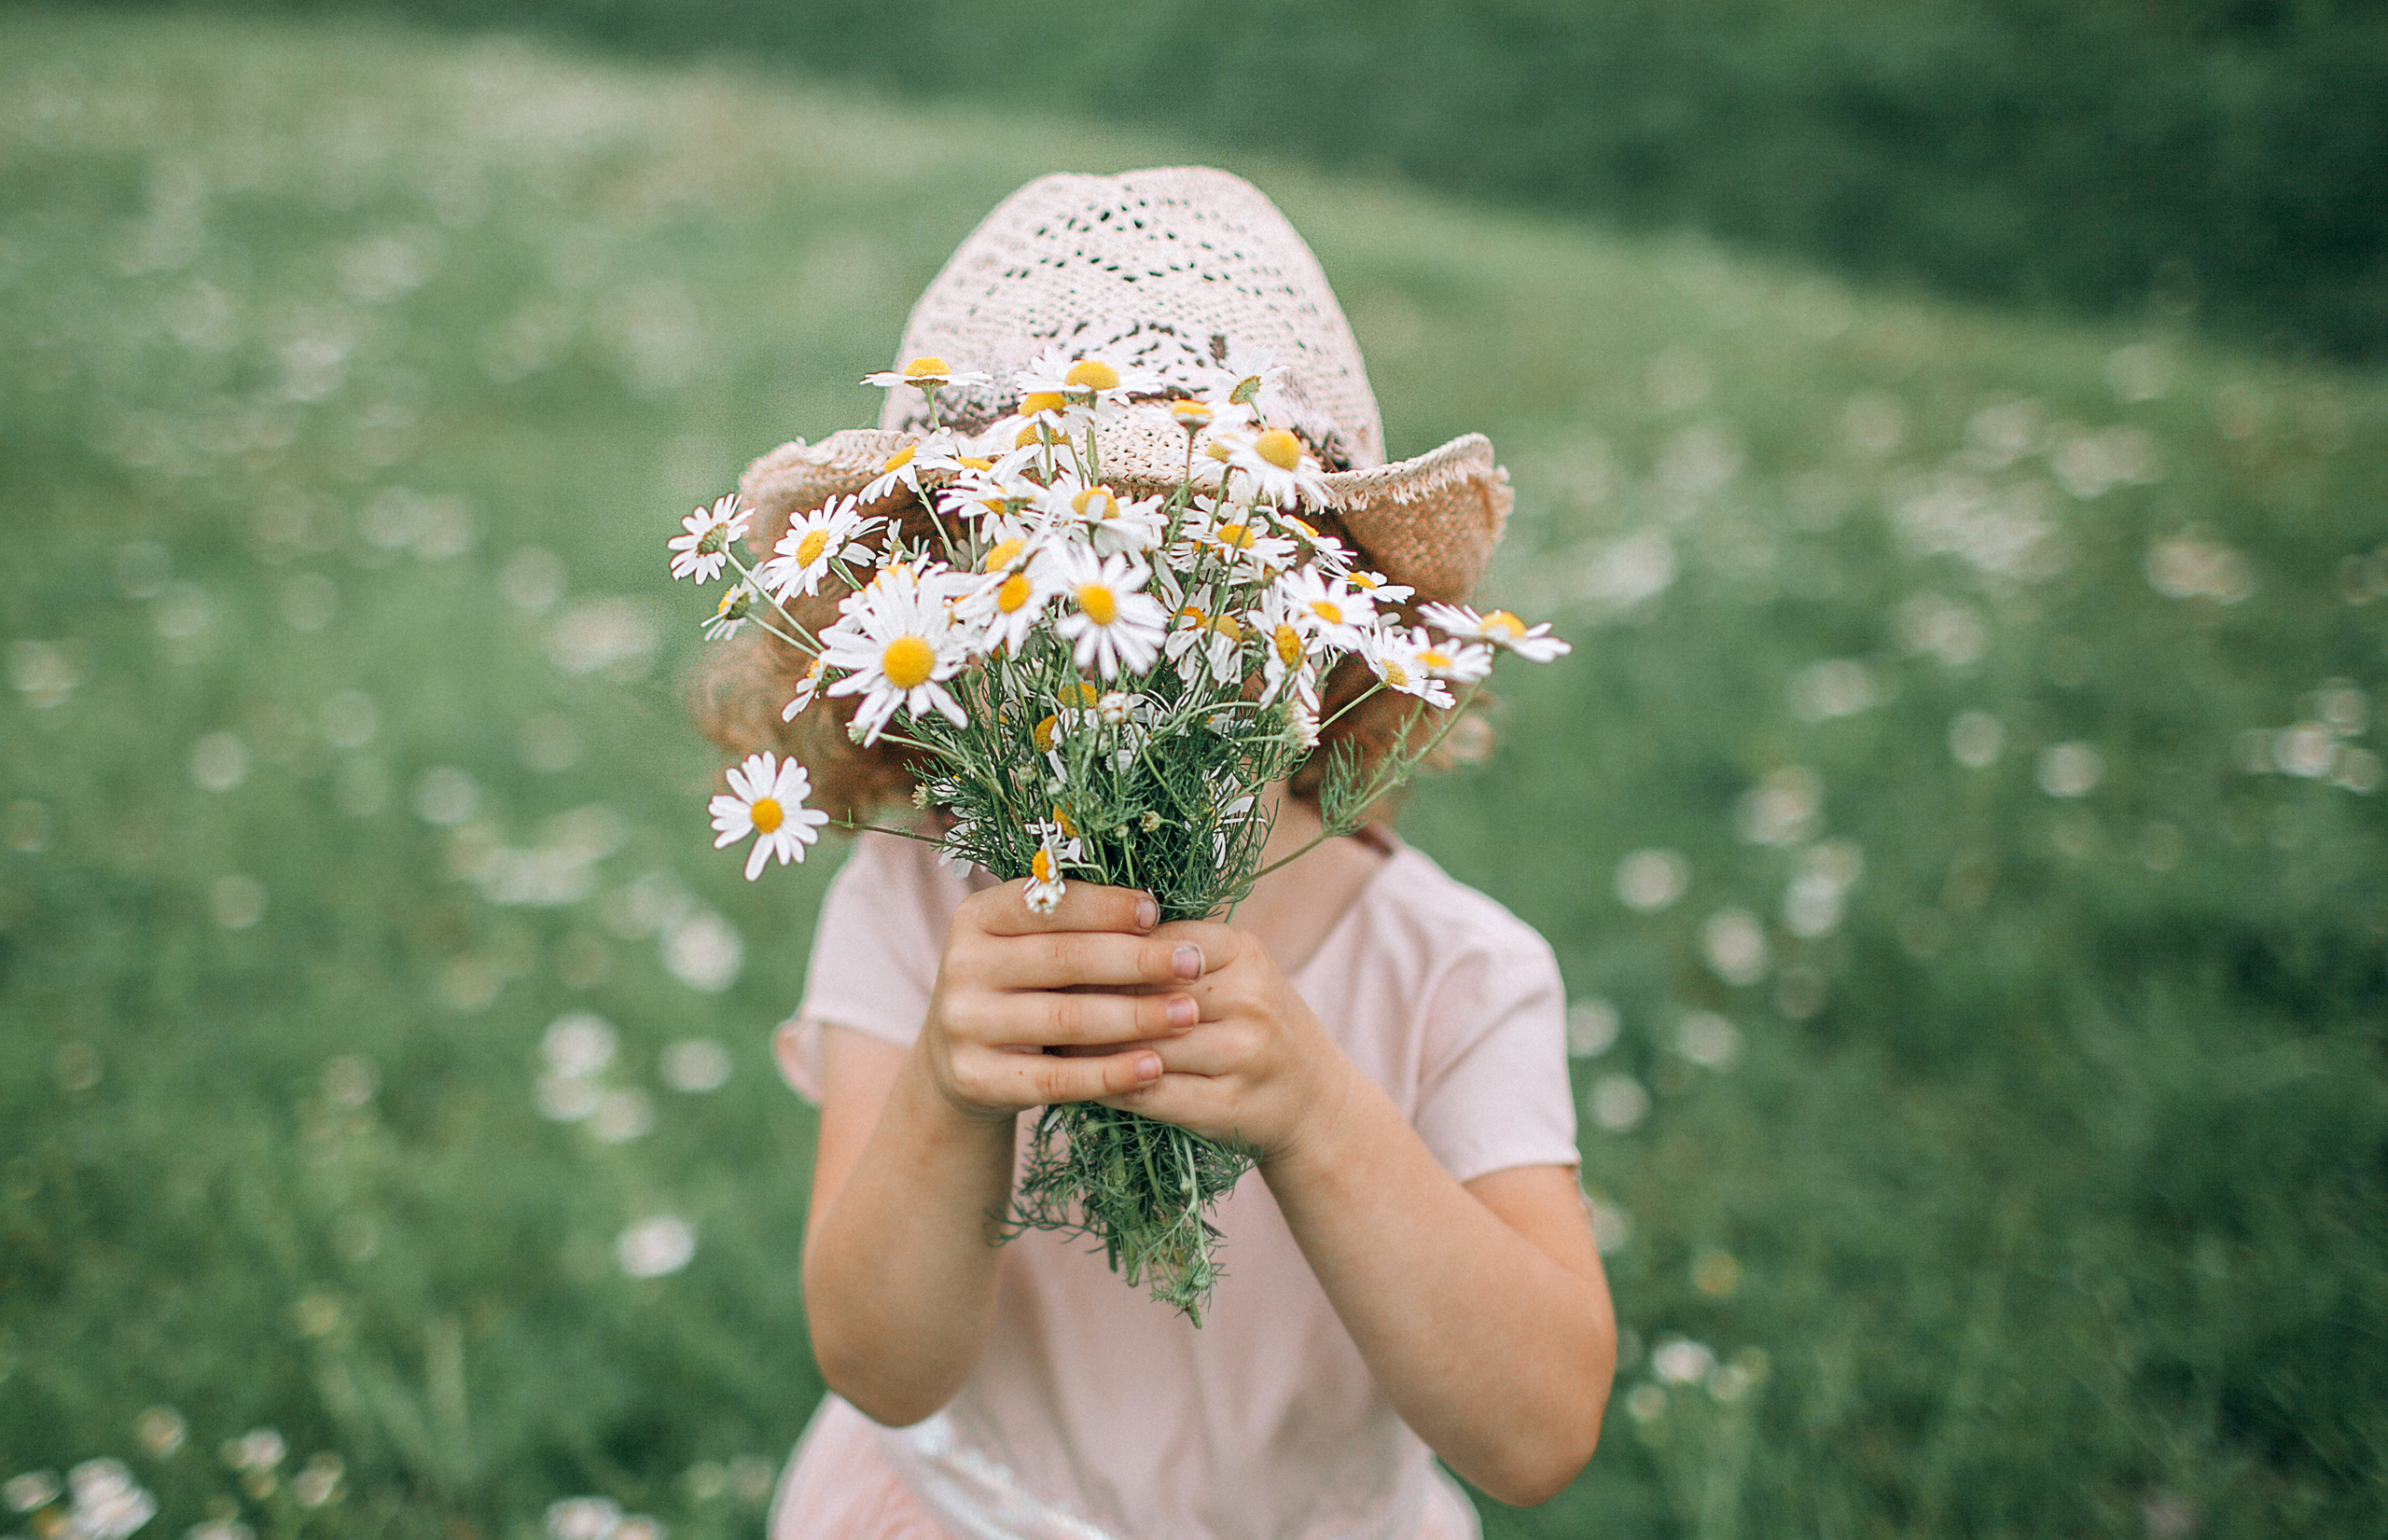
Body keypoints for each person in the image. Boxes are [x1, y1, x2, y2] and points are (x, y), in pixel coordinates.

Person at [692, 168, 1614, 1540]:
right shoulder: (910, 907)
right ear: (924, 620)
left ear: (1328, 615)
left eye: (1201, 567)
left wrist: (1313, 1107)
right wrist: (952, 1090)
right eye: (1024, 578)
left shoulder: (1453, 975)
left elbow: (1536, 1435)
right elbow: (880, 1367)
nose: (1108, 637)